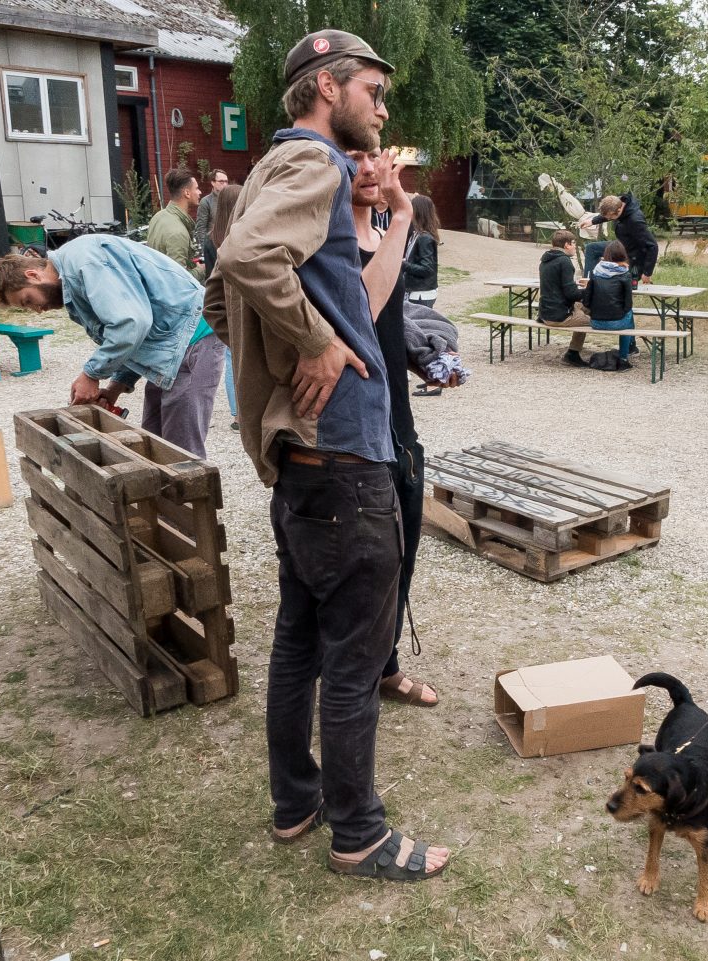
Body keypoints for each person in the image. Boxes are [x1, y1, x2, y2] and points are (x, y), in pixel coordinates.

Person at [205, 28, 449, 880]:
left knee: (299, 644)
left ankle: (295, 803)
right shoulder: (317, 164)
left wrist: (396, 220)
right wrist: (309, 343)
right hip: (344, 461)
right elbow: (245, 261)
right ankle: (360, 834)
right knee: (352, 662)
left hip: (307, 465)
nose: (381, 111)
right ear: (327, 88)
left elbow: (225, 295)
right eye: (373, 93)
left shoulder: (269, 171)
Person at [349, 146, 448, 707]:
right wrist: (404, 213)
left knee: (403, 554)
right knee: (365, 564)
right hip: (355, 437)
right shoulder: (329, 247)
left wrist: (421, 357)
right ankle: (355, 675)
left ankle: (384, 665)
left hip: (400, 430)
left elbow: (385, 322)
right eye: (354, 157)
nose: (370, 169)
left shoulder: (383, 237)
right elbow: (354, 314)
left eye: (375, 156)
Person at [0, 234, 225, 458]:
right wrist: (115, 388)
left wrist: (91, 374)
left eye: (28, 300)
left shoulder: (85, 263)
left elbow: (131, 324)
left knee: (180, 451)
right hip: (169, 344)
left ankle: (184, 489)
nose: (37, 310)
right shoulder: (74, 276)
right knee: (153, 438)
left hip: (192, 338)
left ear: (33, 275)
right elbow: (134, 336)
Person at [209, 184, 244, 431]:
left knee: (231, 358)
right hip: (238, 302)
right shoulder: (241, 237)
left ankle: (236, 414)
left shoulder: (212, 239)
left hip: (220, 303)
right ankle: (242, 412)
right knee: (237, 357)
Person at [578, 193, 659, 283]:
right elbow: (607, 214)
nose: (609, 219)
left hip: (633, 257)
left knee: (618, 284)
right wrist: (592, 221)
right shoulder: (618, 202)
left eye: (610, 217)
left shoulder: (635, 221)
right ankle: (589, 283)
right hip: (620, 246)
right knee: (592, 248)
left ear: (619, 210)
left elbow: (653, 246)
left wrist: (647, 273)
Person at [538, 229, 590, 367]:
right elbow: (571, 294)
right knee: (597, 322)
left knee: (586, 307)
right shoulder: (565, 261)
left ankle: (574, 351)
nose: (575, 247)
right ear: (567, 245)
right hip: (559, 316)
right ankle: (572, 353)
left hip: (545, 312)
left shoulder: (545, 260)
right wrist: (590, 290)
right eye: (574, 243)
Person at [584, 240, 635, 367]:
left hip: (596, 322)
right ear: (623, 255)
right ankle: (624, 356)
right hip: (617, 323)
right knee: (630, 314)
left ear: (606, 254)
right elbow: (628, 304)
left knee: (627, 314)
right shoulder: (625, 274)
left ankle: (629, 350)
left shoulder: (596, 272)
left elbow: (586, 301)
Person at [148, 169, 204, 280]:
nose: (200, 192)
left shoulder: (158, 217)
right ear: (187, 193)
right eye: (197, 188)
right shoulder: (178, 232)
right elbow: (178, 280)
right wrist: (201, 270)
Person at [403, 194, 440, 307]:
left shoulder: (425, 238)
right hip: (414, 290)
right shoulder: (415, 234)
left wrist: (403, 265)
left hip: (421, 293)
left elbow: (427, 269)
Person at [194, 169, 229, 275]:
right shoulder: (206, 201)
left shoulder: (230, 199)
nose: (225, 184)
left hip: (228, 245)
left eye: (226, 181)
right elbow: (201, 228)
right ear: (213, 182)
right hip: (212, 246)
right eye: (221, 181)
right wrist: (203, 252)